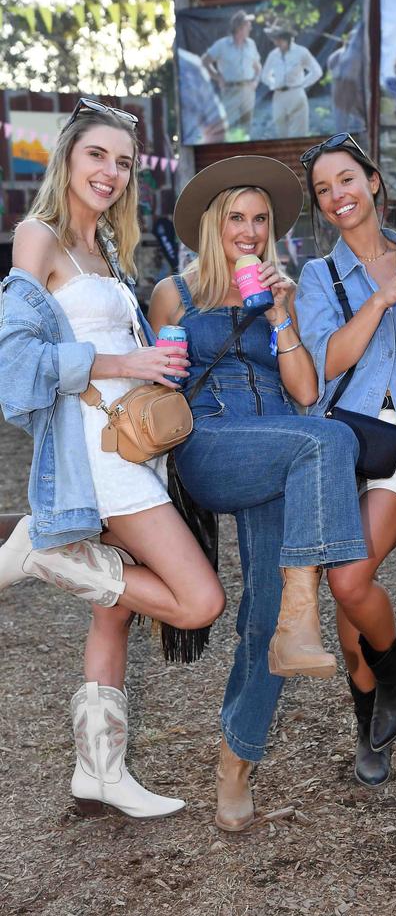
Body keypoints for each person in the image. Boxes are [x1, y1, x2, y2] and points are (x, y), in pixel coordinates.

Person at [0, 98, 225, 819]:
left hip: (130, 452)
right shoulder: (38, 237)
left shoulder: (105, 253)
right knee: (199, 601)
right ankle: (44, 552)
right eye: (97, 155)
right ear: (67, 157)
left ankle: (99, 771)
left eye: (124, 162)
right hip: (96, 459)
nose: (111, 172)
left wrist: (155, 362)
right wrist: (126, 357)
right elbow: (16, 362)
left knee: (116, 611)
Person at [148, 154, 368, 831]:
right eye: (237, 218)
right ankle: (307, 614)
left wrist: (280, 313)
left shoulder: (285, 287)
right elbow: (158, 396)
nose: (249, 230)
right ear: (215, 225)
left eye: (260, 220)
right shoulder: (172, 293)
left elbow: (304, 391)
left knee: (265, 615)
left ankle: (235, 761)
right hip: (212, 446)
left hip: (281, 448)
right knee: (329, 438)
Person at [294, 133, 396, 789]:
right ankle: (369, 724)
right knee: (345, 607)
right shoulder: (318, 276)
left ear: (373, 182)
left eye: (346, 180)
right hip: (340, 443)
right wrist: (380, 299)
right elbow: (323, 364)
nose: (338, 196)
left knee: (351, 581)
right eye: (324, 190)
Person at [201, 10, 261, 138]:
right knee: (229, 128)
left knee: (247, 128)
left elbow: (257, 67)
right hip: (230, 91)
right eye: (247, 25)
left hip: (248, 91)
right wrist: (217, 77)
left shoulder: (251, 44)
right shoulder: (222, 45)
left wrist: (255, 81)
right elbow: (205, 61)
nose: (250, 27)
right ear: (239, 27)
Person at [260, 22, 323, 138]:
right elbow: (264, 75)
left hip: (296, 93)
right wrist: (273, 84)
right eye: (275, 40)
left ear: (287, 39)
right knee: (281, 134)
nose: (276, 43)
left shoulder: (301, 52)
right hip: (278, 95)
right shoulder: (273, 55)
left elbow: (317, 71)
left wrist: (302, 85)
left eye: (279, 40)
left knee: (299, 134)